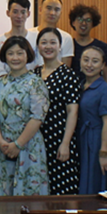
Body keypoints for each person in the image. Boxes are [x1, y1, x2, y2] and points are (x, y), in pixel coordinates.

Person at [0, 36, 49, 196]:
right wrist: (0, 141)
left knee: (29, 194)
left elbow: (37, 118)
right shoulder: (0, 83)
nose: (15, 57)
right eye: (10, 53)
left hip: (28, 146)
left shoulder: (36, 83)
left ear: (27, 55)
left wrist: (18, 144)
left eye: (20, 53)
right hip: (4, 147)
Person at [34, 27, 80, 195]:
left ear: (60, 46)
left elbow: (73, 112)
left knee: (61, 191)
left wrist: (65, 143)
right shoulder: (34, 74)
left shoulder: (68, 75)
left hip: (60, 139)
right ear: (38, 46)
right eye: (44, 42)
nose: (48, 46)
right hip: (36, 140)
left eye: (53, 42)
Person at [77, 46, 107, 194]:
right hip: (81, 139)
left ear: (102, 66)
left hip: (96, 140)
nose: (89, 65)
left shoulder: (106, 90)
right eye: (86, 60)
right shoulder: (79, 86)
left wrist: (103, 152)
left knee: (94, 182)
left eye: (95, 61)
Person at [0, 0, 37, 77]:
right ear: (8, 13)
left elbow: (40, 65)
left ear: (28, 13)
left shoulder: (36, 38)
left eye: (23, 12)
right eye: (15, 12)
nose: (19, 16)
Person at [28, 0, 75, 67]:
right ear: (40, 10)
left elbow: (66, 68)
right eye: (48, 8)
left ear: (61, 13)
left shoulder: (66, 38)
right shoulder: (28, 34)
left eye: (57, 10)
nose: (52, 13)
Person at [69, 4, 107, 82]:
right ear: (73, 22)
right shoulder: (68, 45)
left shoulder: (102, 47)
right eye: (80, 19)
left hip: (96, 88)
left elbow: (106, 76)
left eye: (88, 20)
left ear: (93, 24)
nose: (84, 23)